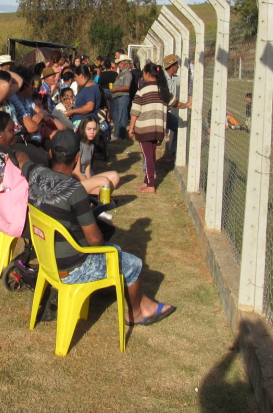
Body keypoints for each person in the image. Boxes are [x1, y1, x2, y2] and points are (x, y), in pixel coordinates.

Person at [14, 130, 175, 326]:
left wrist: (8, 149)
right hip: (72, 268)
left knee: (117, 252)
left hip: (47, 259)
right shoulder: (76, 191)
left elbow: (21, 157)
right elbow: (95, 242)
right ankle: (136, 313)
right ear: (77, 157)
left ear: (50, 154)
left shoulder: (34, 173)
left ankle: (144, 302)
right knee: (133, 264)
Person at [129, 63, 192, 194]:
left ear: (147, 74)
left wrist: (131, 127)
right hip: (158, 128)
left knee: (148, 156)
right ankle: (147, 180)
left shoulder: (142, 90)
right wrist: (187, 104)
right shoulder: (163, 90)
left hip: (145, 128)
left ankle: (151, 184)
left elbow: (135, 111)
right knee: (151, 154)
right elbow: (176, 104)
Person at [72, 115, 120, 197]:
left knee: (115, 176)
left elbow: (88, 168)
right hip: (76, 181)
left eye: (94, 129)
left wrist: (91, 179)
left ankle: (99, 202)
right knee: (103, 182)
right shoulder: (78, 145)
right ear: (83, 129)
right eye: (89, 129)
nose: (92, 132)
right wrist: (91, 182)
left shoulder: (91, 145)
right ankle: (95, 203)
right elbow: (76, 173)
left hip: (86, 178)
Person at [162, 55, 182, 162]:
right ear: (172, 66)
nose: (178, 67)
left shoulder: (175, 78)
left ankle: (171, 152)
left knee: (178, 127)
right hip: (162, 111)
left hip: (170, 110)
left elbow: (188, 81)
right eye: (176, 65)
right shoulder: (162, 79)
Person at [109, 55, 133, 141]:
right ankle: (117, 134)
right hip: (117, 96)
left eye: (121, 63)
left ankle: (122, 136)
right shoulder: (120, 74)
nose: (119, 65)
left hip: (123, 96)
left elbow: (127, 87)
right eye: (119, 63)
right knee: (116, 117)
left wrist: (115, 89)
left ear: (126, 65)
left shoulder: (127, 74)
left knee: (122, 116)